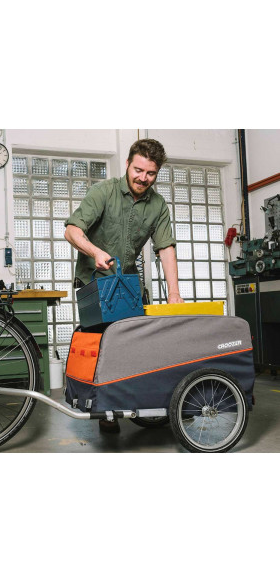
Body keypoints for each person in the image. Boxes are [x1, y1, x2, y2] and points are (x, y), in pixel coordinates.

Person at [64, 138, 184, 433]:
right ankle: (106, 411)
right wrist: (95, 252)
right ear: (128, 164)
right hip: (95, 283)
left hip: (127, 283)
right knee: (105, 345)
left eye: (151, 173)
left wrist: (174, 293)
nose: (143, 178)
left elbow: (165, 247)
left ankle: (139, 400)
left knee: (136, 344)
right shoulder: (103, 192)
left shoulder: (157, 205)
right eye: (138, 170)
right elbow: (72, 230)